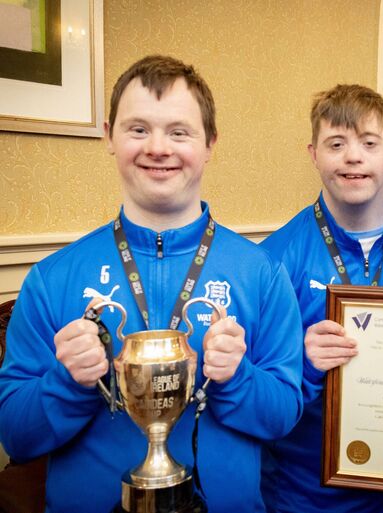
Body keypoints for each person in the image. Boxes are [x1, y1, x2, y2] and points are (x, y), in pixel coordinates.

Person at [0, 55, 304, 513]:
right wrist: (67, 383)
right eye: (138, 129)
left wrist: (238, 378)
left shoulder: (261, 274)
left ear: (209, 144)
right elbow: (16, 437)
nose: (158, 148)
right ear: (109, 136)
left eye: (179, 132)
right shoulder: (52, 278)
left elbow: (283, 416)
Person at [260, 84, 383, 513]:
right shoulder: (274, 258)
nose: (353, 156)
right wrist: (302, 361)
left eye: (369, 142)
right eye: (336, 144)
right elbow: (257, 395)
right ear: (313, 154)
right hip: (298, 494)